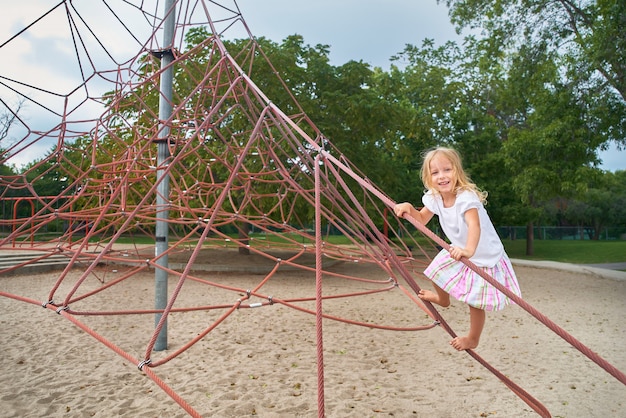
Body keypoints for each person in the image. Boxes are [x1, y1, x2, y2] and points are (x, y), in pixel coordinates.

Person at [394, 147, 521, 351]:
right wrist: (409, 207)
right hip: (460, 249)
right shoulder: (435, 198)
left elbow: (474, 226)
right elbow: (421, 220)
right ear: (428, 177)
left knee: (475, 302)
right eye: (435, 172)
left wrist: (469, 251)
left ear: (457, 171)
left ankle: (472, 338)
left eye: (447, 170)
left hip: (484, 255)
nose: (442, 176)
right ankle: (443, 299)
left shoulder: (466, 197)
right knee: (435, 271)